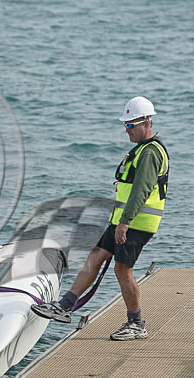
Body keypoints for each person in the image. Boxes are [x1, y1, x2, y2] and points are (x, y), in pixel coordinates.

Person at [32, 96, 169, 340]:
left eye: (130, 125)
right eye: (125, 125)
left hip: (136, 223)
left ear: (146, 123)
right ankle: (64, 307)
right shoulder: (140, 150)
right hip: (123, 221)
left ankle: (136, 324)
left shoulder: (150, 153)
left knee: (122, 270)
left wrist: (125, 222)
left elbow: (141, 190)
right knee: (96, 255)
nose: (126, 130)